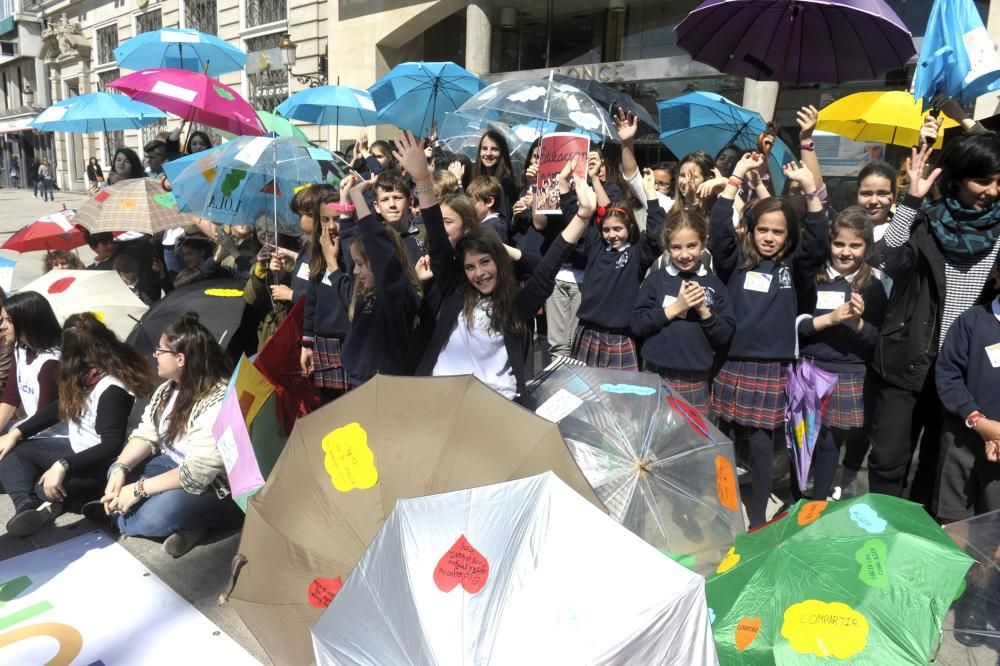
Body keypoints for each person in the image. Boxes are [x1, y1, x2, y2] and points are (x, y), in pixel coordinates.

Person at [401, 129, 595, 399]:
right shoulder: (454, 290)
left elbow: (549, 265)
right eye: (470, 267)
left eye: (485, 262)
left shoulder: (515, 305)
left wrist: (583, 215)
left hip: (495, 401)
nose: (479, 273)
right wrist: (422, 178)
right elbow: (435, 232)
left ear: (499, 262)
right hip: (441, 395)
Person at [868, 134, 1000, 510]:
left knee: (937, 470)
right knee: (889, 461)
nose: (992, 191)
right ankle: (879, 535)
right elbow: (883, 260)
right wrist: (911, 201)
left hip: (963, 373)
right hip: (907, 361)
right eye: (983, 180)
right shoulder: (925, 223)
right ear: (958, 179)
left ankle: (919, 548)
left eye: (999, 181)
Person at [709, 153, 829, 527]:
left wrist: (811, 191)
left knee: (762, 446)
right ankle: (721, 507)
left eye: (778, 232)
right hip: (730, 363)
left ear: (788, 236)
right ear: (752, 229)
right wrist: (736, 177)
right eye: (763, 229)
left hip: (773, 367)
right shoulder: (734, 262)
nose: (769, 238)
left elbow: (818, 241)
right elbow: (718, 229)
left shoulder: (793, 267)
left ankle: (758, 516)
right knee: (722, 442)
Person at [91, 313, 241, 558]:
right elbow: (146, 435)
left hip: (216, 487)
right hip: (170, 465)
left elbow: (199, 472)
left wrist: (139, 489)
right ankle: (191, 527)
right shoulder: (167, 389)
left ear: (180, 358)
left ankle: (123, 521)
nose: (155, 355)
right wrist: (120, 468)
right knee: (112, 475)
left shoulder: (217, 400)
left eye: (160, 350)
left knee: (162, 512)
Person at [1, 314, 151, 536]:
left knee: (45, 487)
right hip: (75, 446)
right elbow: (60, 407)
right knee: (13, 452)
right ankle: (26, 505)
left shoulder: (112, 389)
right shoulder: (87, 374)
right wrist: (17, 433)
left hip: (102, 462)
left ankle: (54, 498)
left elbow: (111, 445)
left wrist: (63, 465)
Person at [795, 208, 888, 501]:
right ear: (829, 242)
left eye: (855, 245)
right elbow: (797, 327)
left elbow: (877, 339)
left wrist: (857, 324)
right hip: (811, 365)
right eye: (839, 244)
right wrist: (831, 318)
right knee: (802, 439)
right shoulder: (813, 277)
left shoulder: (875, 285)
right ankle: (796, 497)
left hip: (848, 371)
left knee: (830, 442)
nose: (846, 252)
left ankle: (818, 500)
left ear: (867, 247)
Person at [632, 209, 735, 414]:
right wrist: (675, 308)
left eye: (692, 246)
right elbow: (637, 324)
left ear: (704, 242)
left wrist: (704, 311)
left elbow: (724, 335)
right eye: (676, 247)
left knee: (692, 442)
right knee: (656, 440)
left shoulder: (714, 284)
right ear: (667, 247)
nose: (685, 254)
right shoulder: (656, 280)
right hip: (656, 374)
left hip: (695, 379)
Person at [566, 167, 665, 370]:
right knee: (585, 391)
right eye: (606, 229)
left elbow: (656, 235)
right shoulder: (595, 247)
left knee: (620, 395)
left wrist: (652, 197)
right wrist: (564, 188)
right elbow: (573, 222)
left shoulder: (637, 254)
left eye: (618, 229)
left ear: (629, 227)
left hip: (621, 335)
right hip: (588, 330)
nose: (612, 235)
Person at [341, 175, 423, 387]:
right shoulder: (368, 292)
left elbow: (376, 245)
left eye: (360, 264)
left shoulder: (395, 291)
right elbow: (351, 239)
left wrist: (357, 196)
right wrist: (346, 202)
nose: (356, 272)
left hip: (383, 385)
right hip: (358, 380)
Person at [300, 186, 352, 405]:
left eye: (337, 219)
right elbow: (311, 303)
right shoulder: (317, 252)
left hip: (351, 340)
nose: (332, 226)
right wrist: (307, 344)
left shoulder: (354, 251)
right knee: (329, 407)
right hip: (325, 343)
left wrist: (335, 259)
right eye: (325, 219)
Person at [0, 292, 63, 438]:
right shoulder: (21, 349)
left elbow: (44, 418)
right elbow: (10, 398)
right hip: (28, 426)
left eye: (9, 321)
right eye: (2, 320)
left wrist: (10, 437)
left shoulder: (51, 363)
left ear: (28, 322)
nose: (2, 326)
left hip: (52, 434)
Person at [373, 170, 425, 266]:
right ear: (377, 207)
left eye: (397, 198)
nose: (392, 204)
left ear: (410, 202)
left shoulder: (425, 233)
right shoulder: (374, 241)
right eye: (385, 200)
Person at [471, 130, 518, 222]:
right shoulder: (476, 176)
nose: (488, 153)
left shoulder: (505, 183)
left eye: (494, 149)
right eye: (484, 148)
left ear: (502, 153)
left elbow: (503, 220)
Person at [467, 175, 509, 242]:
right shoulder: (483, 224)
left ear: (489, 202)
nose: (469, 206)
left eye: (473, 202)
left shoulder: (494, 227)